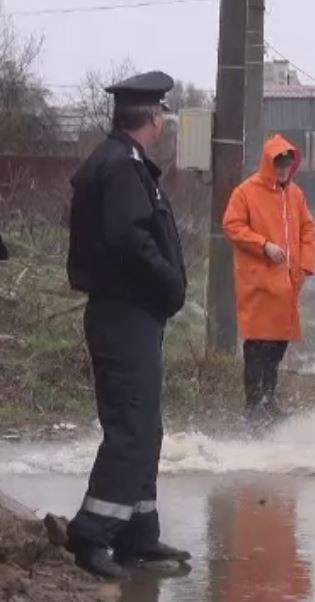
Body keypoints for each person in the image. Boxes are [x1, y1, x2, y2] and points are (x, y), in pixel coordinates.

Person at [64, 71, 190, 580]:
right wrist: (169, 286)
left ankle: (138, 531)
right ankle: (92, 533)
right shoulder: (119, 166)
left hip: (132, 314)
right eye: (163, 114)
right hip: (122, 312)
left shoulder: (124, 161)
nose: (164, 121)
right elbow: (129, 241)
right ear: (154, 119)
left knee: (145, 426)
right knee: (130, 427)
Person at [223, 135, 315, 424]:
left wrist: (304, 267)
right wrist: (263, 244)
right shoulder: (245, 192)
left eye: (287, 167)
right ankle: (253, 405)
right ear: (268, 164)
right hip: (258, 283)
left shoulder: (295, 195)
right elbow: (232, 225)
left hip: (286, 283)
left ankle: (269, 398)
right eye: (278, 166)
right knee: (256, 344)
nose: (283, 172)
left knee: (278, 343)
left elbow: (308, 229)